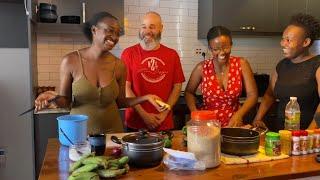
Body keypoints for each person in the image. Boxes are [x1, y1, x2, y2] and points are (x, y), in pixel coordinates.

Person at [35, 12, 164, 134]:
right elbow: (66, 101)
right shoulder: (70, 61)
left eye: (118, 33)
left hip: (113, 134)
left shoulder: (119, 65)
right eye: (109, 30)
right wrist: (53, 98)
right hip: (80, 135)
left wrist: (145, 97)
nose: (114, 37)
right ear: (94, 30)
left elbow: (120, 102)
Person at [253, 13, 320, 131]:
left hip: (308, 139)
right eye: (283, 39)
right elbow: (269, 95)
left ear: (306, 42)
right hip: (282, 135)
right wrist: (258, 118)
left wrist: (308, 133)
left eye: (288, 40)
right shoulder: (281, 66)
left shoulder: (317, 65)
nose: (282, 44)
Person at [121, 11, 185, 131]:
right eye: (143, 26)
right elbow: (126, 87)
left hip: (163, 122)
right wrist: (144, 115)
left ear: (161, 28)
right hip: (136, 122)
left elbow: (177, 87)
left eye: (152, 27)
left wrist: (164, 114)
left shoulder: (172, 55)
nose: (147, 31)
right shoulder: (128, 54)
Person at [184, 26, 258, 127]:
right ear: (210, 48)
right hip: (208, 125)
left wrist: (238, 115)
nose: (222, 52)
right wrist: (195, 113)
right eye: (216, 49)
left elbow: (252, 95)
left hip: (234, 124)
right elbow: (188, 92)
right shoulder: (201, 68)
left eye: (226, 47)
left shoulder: (242, 64)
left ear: (231, 45)